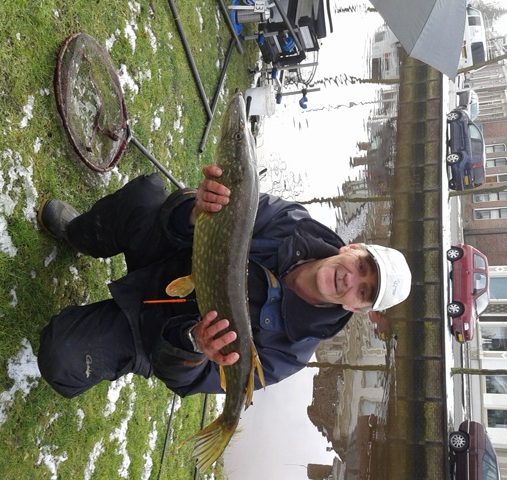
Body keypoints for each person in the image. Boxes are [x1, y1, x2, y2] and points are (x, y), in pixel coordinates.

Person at [36, 165, 412, 398]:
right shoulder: (291, 222)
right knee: (145, 198)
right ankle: (77, 234)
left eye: (364, 291)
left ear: (356, 308)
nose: (351, 279)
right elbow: (210, 212)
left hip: (157, 330)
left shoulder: (290, 353)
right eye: (363, 265)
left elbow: (194, 379)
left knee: (61, 356)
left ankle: (98, 344)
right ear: (353, 247)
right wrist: (193, 210)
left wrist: (194, 346)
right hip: (170, 253)